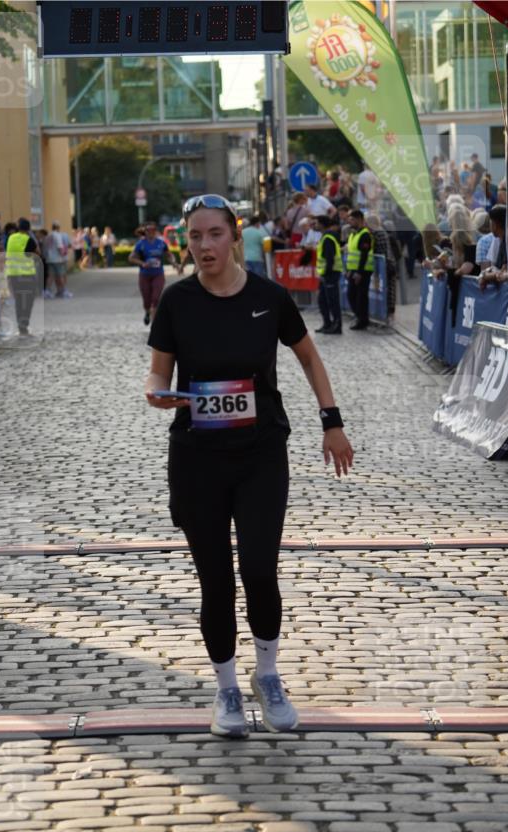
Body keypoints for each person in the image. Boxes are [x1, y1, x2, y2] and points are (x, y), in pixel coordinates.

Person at [144, 193, 354, 739]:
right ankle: (227, 690)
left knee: (259, 570)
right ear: (185, 242)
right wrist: (158, 395)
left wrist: (331, 422)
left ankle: (268, 675)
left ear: (235, 236)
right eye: (195, 237)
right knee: (215, 581)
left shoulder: (269, 297)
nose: (205, 246)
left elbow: (309, 356)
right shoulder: (176, 301)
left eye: (214, 234)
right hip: (197, 457)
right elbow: (156, 375)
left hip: (262, 453)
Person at [128, 220, 178, 325]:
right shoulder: (141, 244)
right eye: (148, 230)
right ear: (145, 231)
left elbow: (169, 254)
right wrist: (142, 263)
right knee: (146, 300)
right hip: (145, 275)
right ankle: (147, 312)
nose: (151, 232)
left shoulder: (161, 243)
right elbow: (131, 258)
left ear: (155, 231)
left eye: (153, 230)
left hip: (158, 274)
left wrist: (173, 262)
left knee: (155, 298)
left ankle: (154, 324)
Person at [4, 217, 40, 337]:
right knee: (28, 301)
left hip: (13, 274)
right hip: (27, 275)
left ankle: (21, 328)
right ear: (28, 229)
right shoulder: (29, 239)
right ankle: (24, 326)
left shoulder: (10, 238)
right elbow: (37, 253)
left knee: (19, 301)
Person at [314, 215, 342, 334]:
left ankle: (337, 325)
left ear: (322, 224)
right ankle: (327, 323)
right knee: (322, 300)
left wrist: (324, 274)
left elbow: (329, 260)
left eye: (316, 223)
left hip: (330, 274)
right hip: (325, 275)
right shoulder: (324, 237)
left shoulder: (328, 239)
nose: (315, 225)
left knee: (333, 301)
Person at [345, 209, 373, 330]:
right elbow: (352, 255)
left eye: (351, 219)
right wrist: (349, 270)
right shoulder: (353, 234)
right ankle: (359, 318)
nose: (349, 222)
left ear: (359, 219)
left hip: (363, 271)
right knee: (351, 295)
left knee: (361, 297)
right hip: (354, 270)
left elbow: (364, 255)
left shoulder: (365, 234)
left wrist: (359, 273)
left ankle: (363, 321)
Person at [44, 221, 72, 298]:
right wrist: (63, 255)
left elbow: (45, 248)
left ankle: (47, 291)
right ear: (58, 227)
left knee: (50, 276)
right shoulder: (57, 235)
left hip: (49, 259)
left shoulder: (48, 236)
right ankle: (64, 291)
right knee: (60, 275)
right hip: (58, 259)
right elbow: (60, 247)